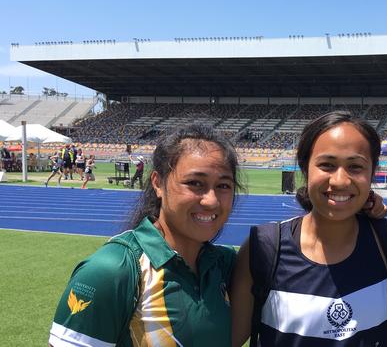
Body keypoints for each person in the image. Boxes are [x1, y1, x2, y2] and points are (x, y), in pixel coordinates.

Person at [49, 125, 243, 346]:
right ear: (158, 183)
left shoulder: (225, 265)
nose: (212, 200)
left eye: (223, 185)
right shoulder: (111, 270)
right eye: (195, 183)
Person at [231, 111, 387, 346]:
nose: (340, 180)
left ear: (372, 173)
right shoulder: (263, 249)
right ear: (305, 169)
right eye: (327, 165)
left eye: (355, 167)